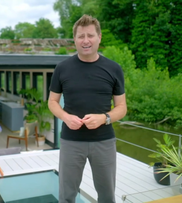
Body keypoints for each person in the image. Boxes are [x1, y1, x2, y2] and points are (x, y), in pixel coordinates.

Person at [48, 14, 127, 203]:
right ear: (74, 39)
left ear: (99, 37)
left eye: (90, 35)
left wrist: (104, 118)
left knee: (107, 195)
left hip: (104, 142)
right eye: (81, 36)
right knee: (66, 195)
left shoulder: (114, 69)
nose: (86, 41)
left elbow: (122, 107)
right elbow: (52, 102)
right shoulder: (62, 68)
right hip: (71, 141)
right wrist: (66, 117)